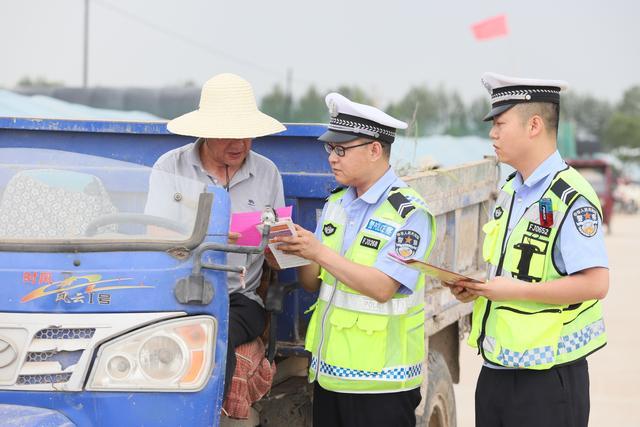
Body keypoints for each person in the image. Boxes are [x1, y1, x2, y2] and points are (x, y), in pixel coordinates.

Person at [447, 72, 609, 427]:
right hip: (499, 370)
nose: (492, 133)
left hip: (548, 379)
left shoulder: (570, 196)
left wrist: (512, 291)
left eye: (500, 123)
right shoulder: (511, 189)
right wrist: (478, 290)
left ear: (534, 125)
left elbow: (596, 283)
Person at [271, 93, 436, 427]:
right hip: (330, 375)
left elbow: (383, 288)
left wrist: (319, 251)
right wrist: (296, 250)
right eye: (330, 149)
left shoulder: (409, 213)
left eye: (342, 150)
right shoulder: (337, 203)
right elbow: (313, 283)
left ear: (375, 150)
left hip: (382, 385)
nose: (333, 158)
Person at [144, 73, 286, 399]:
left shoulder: (267, 173)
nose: (239, 144)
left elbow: (279, 252)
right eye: (227, 135)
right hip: (177, 291)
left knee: (213, 338)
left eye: (246, 135)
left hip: (239, 298)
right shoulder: (171, 167)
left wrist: (277, 246)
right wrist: (212, 237)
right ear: (205, 132)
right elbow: (156, 236)